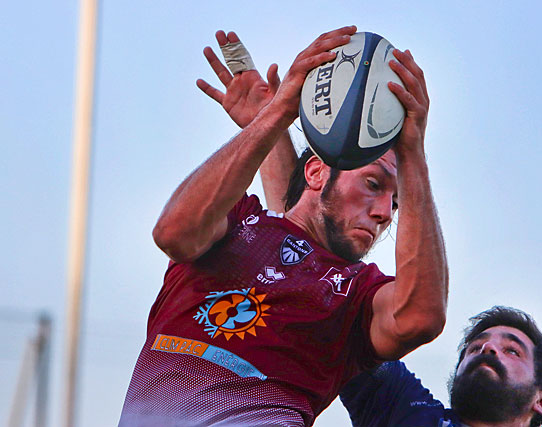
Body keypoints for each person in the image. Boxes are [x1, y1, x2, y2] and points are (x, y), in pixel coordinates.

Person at [119, 26, 448, 426]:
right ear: (314, 172)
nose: (385, 212)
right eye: (374, 184)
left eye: (397, 203)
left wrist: (413, 153)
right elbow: (174, 232)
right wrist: (275, 114)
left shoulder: (357, 295)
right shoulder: (239, 221)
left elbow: (421, 318)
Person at [339, 306, 542, 427]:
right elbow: (347, 315)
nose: (487, 347)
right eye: (474, 348)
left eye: (512, 351)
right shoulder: (403, 408)